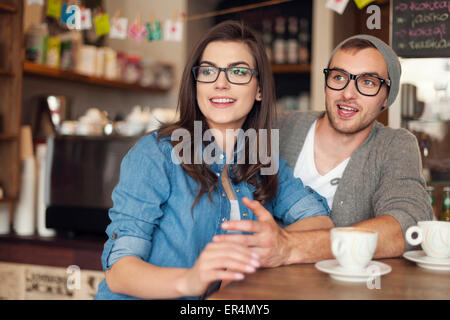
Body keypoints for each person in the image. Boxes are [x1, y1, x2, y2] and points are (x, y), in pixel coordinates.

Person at [95, 21, 333, 300]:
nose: (221, 83)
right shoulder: (156, 154)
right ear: (196, 85)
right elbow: (119, 272)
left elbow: (321, 224)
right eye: (208, 71)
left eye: (239, 72)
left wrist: (276, 245)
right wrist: (190, 280)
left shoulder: (263, 159)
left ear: (259, 90)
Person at [213, 34, 433, 266]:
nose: (348, 93)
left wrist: (290, 246)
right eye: (339, 77)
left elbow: (408, 227)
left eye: (368, 82)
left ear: (387, 97)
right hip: (260, 284)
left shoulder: (394, 145)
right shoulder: (277, 126)